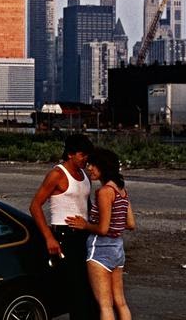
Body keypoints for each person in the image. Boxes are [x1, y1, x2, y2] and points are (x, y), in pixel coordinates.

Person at [29, 133, 97, 320]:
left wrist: (93, 226)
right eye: (82, 155)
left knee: (90, 289)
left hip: (84, 236)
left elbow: (87, 205)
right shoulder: (57, 174)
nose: (85, 159)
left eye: (87, 155)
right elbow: (35, 206)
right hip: (64, 236)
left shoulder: (85, 175)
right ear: (70, 154)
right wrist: (49, 237)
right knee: (76, 290)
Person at [66, 148, 136, 320]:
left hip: (100, 251)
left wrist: (85, 225)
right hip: (117, 250)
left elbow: (103, 229)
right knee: (120, 302)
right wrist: (115, 224)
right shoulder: (121, 190)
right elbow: (130, 224)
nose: (89, 168)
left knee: (105, 305)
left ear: (103, 167)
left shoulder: (104, 192)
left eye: (93, 165)